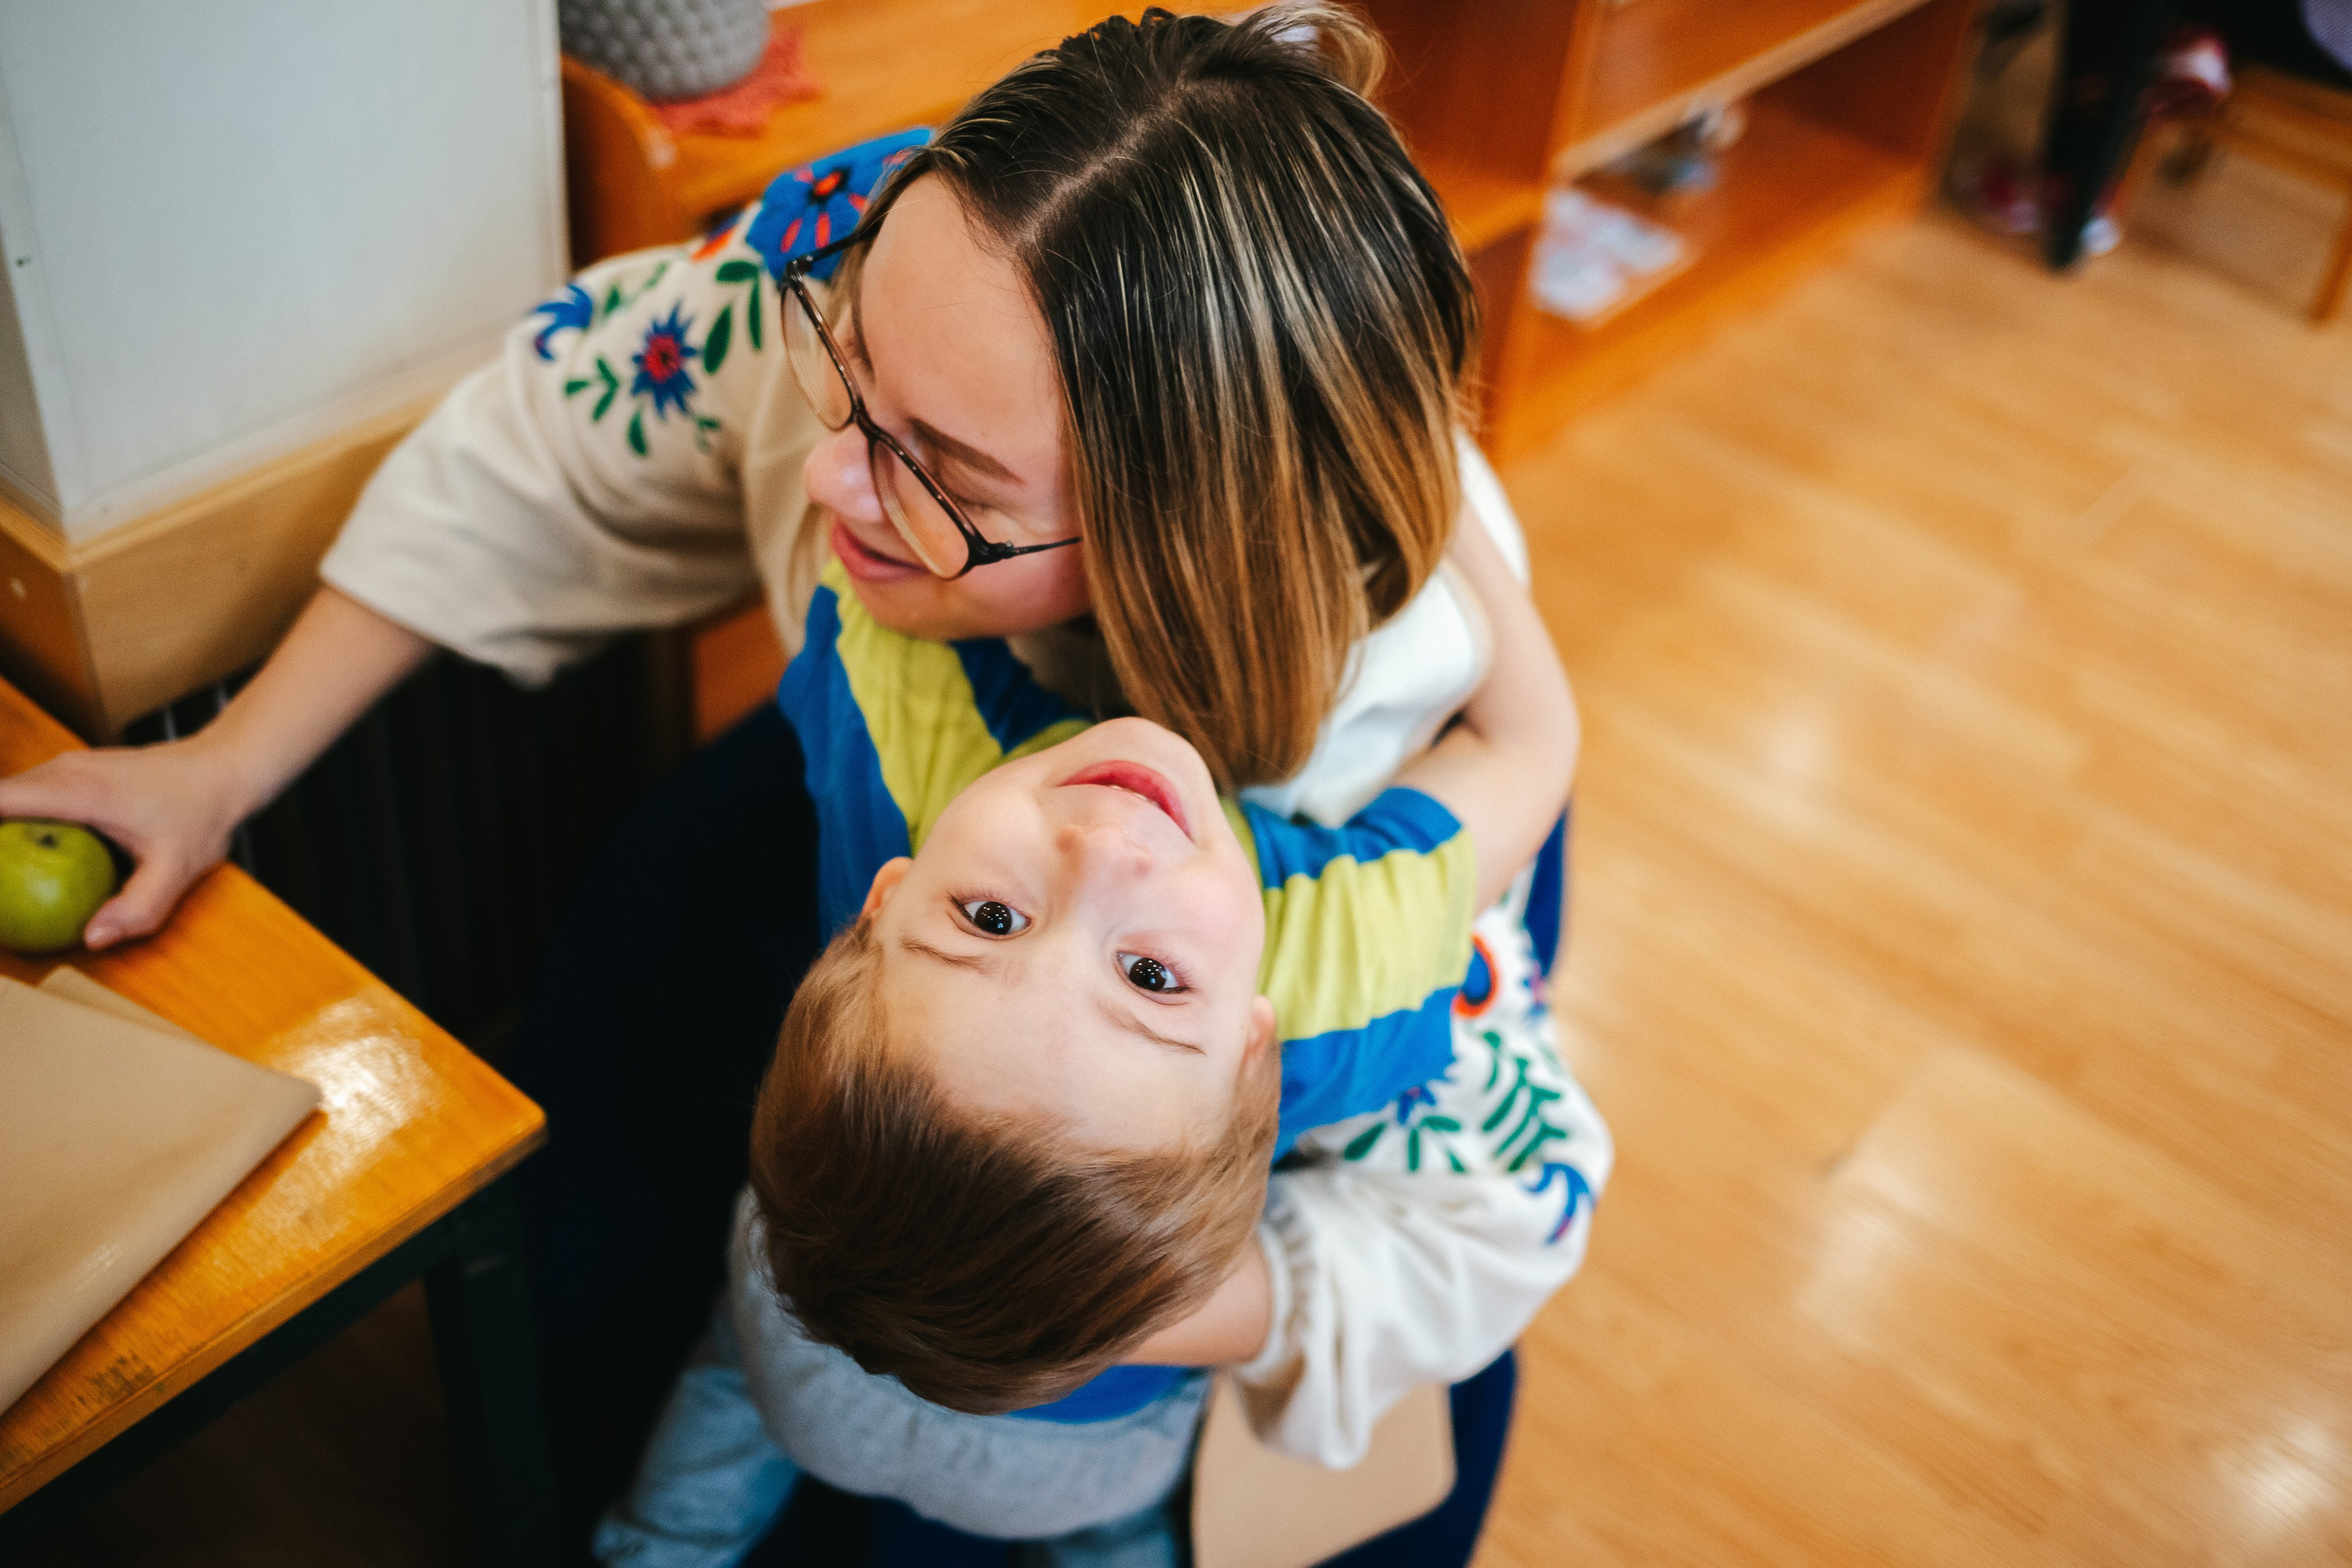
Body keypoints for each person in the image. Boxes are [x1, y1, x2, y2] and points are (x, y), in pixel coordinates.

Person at [0, 7, 1579, 1558]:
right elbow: (542, 446)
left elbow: (1486, 1207)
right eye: (852, 368)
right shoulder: (894, 265)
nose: (829, 474)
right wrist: (222, 761)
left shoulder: (1371, 823)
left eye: (945, 475)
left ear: (1177, 549)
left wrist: (1096, 1283)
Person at [579, 493, 1609, 1566]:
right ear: (1257, 1055)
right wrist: (1439, 497)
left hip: (798, 1366)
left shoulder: (906, 752)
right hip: (1076, 1464)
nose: (1108, 850)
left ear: (878, 905)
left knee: (728, 1394)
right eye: (1151, 978)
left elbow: (864, 521)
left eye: (991, 919)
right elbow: (1529, 743)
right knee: (1112, 1537)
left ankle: (657, 1545)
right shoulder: (1343, 969)